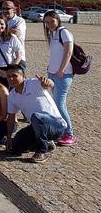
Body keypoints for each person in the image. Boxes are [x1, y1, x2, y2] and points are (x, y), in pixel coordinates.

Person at [5, 64, 66, 163]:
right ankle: (47, 143)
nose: (11, 78)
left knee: (36, 117)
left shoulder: (33, 83)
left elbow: (50, 84)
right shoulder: (12, 96)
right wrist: (8, 138)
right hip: (36, 126)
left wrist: (47, 83)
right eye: (8, 76)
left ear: (23, 76)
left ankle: (42, 151)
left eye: (14, 76)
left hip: (56, 125)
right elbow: (11, 118)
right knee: (16, 146)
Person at [43, 10, 77, 146]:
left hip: (63, 75)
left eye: (52, 21)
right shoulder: (53, 34)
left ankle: (69, 134)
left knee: (60, 104)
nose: (49, 24)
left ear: (57, 20)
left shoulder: (64, 32)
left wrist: (61, 70)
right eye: (46, 22)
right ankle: (61, 131)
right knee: (55, 105)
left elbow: (69, 52)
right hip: (53, 73)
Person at [0, 15, 24, 83]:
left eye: (2, 24)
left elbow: (18, 56)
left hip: (9, 68)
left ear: (6, 25)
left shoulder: (12, 37)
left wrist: (11, 70)